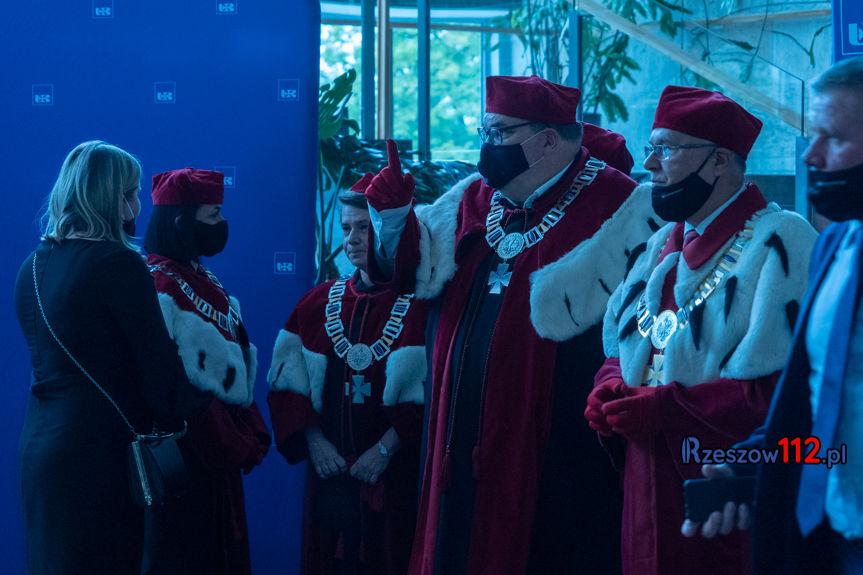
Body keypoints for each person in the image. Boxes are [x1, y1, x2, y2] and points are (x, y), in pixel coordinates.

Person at [362, 75, 660, 575]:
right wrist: (393, 220)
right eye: (485, 131)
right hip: (456, 439)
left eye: (499, 132)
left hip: (554, 447)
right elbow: (412, 274)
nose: (487, 146)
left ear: (547, 140)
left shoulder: (619, 205)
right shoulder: (471, 199)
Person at [588, 85, 817, 575]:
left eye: (666, 149)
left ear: (718, 162)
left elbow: (789, 393)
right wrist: (608, 387)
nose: (650, 164)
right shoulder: (660, 244)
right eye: (650, 148)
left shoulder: (784, 240)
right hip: (645, 481)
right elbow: (622, 344)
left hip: (722, 486)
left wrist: (669, 409)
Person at [683, 56, 863, 575]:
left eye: (833, 138)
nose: (811, 155)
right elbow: (818, 402)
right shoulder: (836, 245)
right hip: (827, 538)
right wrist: (752, 468)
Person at [14, 141, 210, 574]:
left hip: (41, 451)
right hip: (102, 457)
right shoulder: (118, 263)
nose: (137, 205)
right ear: (111, 198)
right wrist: (196, 416)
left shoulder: (31, 266)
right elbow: (157, 369)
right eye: (132, 193)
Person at [267, 188, 427, 575]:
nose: (351, 239)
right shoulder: (316, 304)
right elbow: (287, 387)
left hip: (396, 484)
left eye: (363, 228)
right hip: (331, 479)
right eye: (346, 228)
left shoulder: (424, 307)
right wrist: (315, 441)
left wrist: (385, 449)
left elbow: (435, 394)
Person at [142, 167, 271, 575]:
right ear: (182, 222)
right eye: (213, 215)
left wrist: (247, 430)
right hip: (191, 462)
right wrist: (229, 442)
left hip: (219, 462)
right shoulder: (161, 285)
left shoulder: (199, 276)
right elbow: (180, 387)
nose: (222, 224)